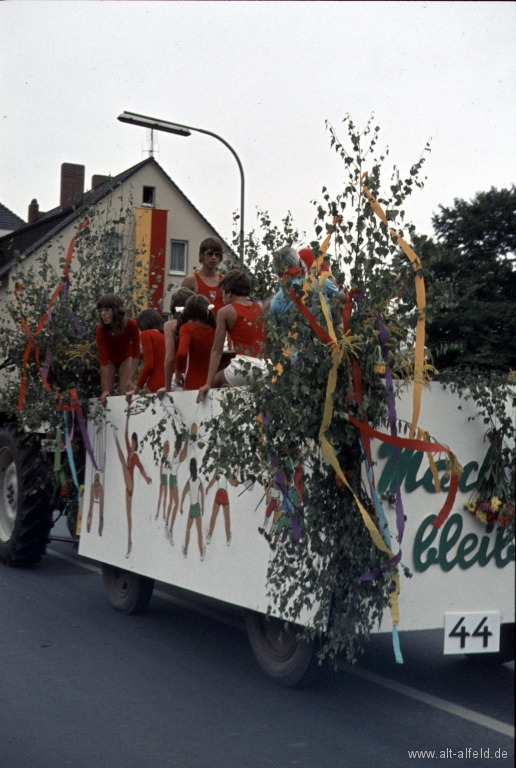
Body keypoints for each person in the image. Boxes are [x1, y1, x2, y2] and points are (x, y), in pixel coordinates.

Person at [197, 269, 268, 402]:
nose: (222, 298)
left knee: (217, 380)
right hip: (265, 366)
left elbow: (217, 350)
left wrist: (208, 383)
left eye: (222, 293)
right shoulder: (259, 308)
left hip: (243, 365)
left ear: (229, 293)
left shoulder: (225, 311)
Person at [112, 414, 152, 558]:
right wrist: (127, 418)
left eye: (135, 443)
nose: (133, 444)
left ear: (137, 444)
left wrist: (147, 477)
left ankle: (115, 444)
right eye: (132, 442)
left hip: (131, 484)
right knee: (128, 516)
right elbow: (126, 435)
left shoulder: (134, 457)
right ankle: (129, 543)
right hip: (126, 487)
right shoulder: (129, 451)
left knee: (123, 463)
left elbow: (140, 468)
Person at [269, 246, 347, 319]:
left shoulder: (274, 304)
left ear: (278, 273)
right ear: (300, 263)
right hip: (323, 332)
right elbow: (345, 298)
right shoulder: (320, 282)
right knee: (339, 322)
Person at [96, 295, 140, 406]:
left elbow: (136, 354)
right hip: (110, 358)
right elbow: (103, 359)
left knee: (124, 390)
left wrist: (131, 378)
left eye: (107, 310)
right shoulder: (101, 330)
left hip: (126, 356)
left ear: (116, 310)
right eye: (101, 310)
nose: (103, 314)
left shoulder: (131, 324)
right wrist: (105, 389)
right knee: (107, 393)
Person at [175, 295, 216, 390]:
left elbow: (181, 353)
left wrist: (178, 373)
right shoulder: (215, 330)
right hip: (213, 381)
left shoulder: (186, 328)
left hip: (193, 380)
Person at [161, 287, 195, 392]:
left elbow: (170, 358)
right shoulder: (197, 325)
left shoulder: (170, 325)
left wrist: (167, 386)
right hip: (195, 373)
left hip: (177, 373)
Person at [126, 308, 165, 399]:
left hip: (154, 382)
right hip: (168, 382)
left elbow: (148, 365)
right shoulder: (164, 336)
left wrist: (136, 388)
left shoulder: (146, 334)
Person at [181, 236, 225, 316]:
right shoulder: (191, 280)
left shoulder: (224, 280)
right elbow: (181, 309)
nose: (214, 258)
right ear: (202, 255)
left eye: (217, 255)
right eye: (210, 254)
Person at [180, 458, 205, 561]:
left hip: (192, 507)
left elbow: (184, 493)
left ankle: (185, 550)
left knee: (188, 530)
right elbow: (202, 493)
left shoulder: (189, 481)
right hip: (197, 507)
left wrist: (181, 505)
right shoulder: (198, 480)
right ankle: (201, 553)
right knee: (199, 531)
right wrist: (203, 507)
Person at [86, 472, 104, 536]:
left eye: (97, 481)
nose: (96, 482)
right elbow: (91, 501)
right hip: (94, 504)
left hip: (98, 505)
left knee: (100, 513)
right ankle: (89, 526)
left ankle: (100, 529)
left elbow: (101, 502)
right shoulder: (92, 487)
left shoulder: (100, 488)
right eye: (96, 481)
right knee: (90, 511)